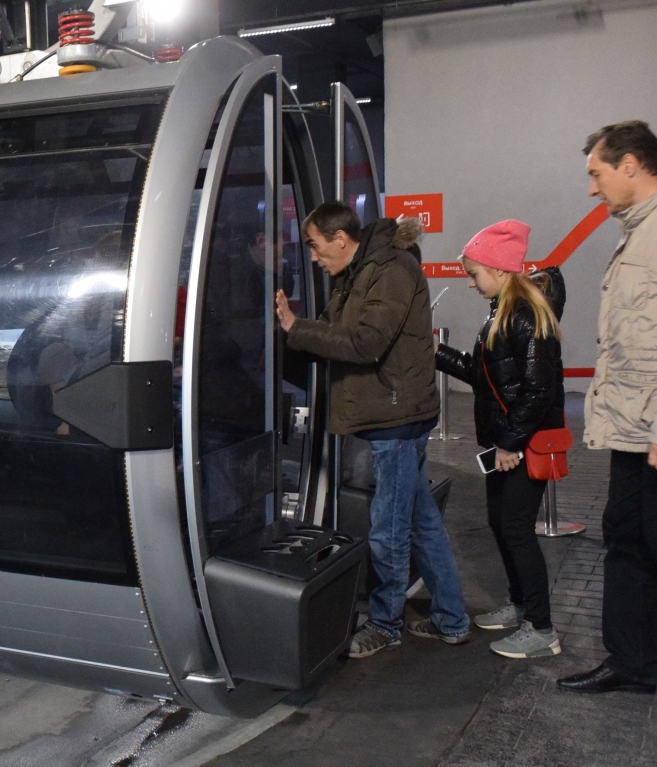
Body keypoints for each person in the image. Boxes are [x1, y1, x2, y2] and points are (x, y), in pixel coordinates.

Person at [275, 202, 471, 658]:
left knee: (389, 530)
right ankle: (451, 618)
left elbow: (366, 343)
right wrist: (296, 331)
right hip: (394, 415)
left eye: (316, 246)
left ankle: (385, 624)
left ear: (341, 239)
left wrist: (296, 328)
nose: (314, 257)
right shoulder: (361, 273)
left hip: (395, 421)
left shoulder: (390, 270)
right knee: (421, 523)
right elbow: (334, 329)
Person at [436, 220, 566, 659]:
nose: (471, 283)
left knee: (515, 528)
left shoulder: (526, 315)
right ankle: (521, 604)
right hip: (507, 443)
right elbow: (486, 375)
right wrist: (437, 353)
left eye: (474, 274)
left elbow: (538, 391)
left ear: (498, 267)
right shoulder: (503, 312)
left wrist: (510, 443)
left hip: (522, 445)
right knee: (501, 523)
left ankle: (541, 628)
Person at [559, 121, 657, 694]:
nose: (592, 188)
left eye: (597, 174)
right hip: (630, 428)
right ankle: (633, 661)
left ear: (630, 165)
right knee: (626, 537)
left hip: (651, 431)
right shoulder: (636, 235)